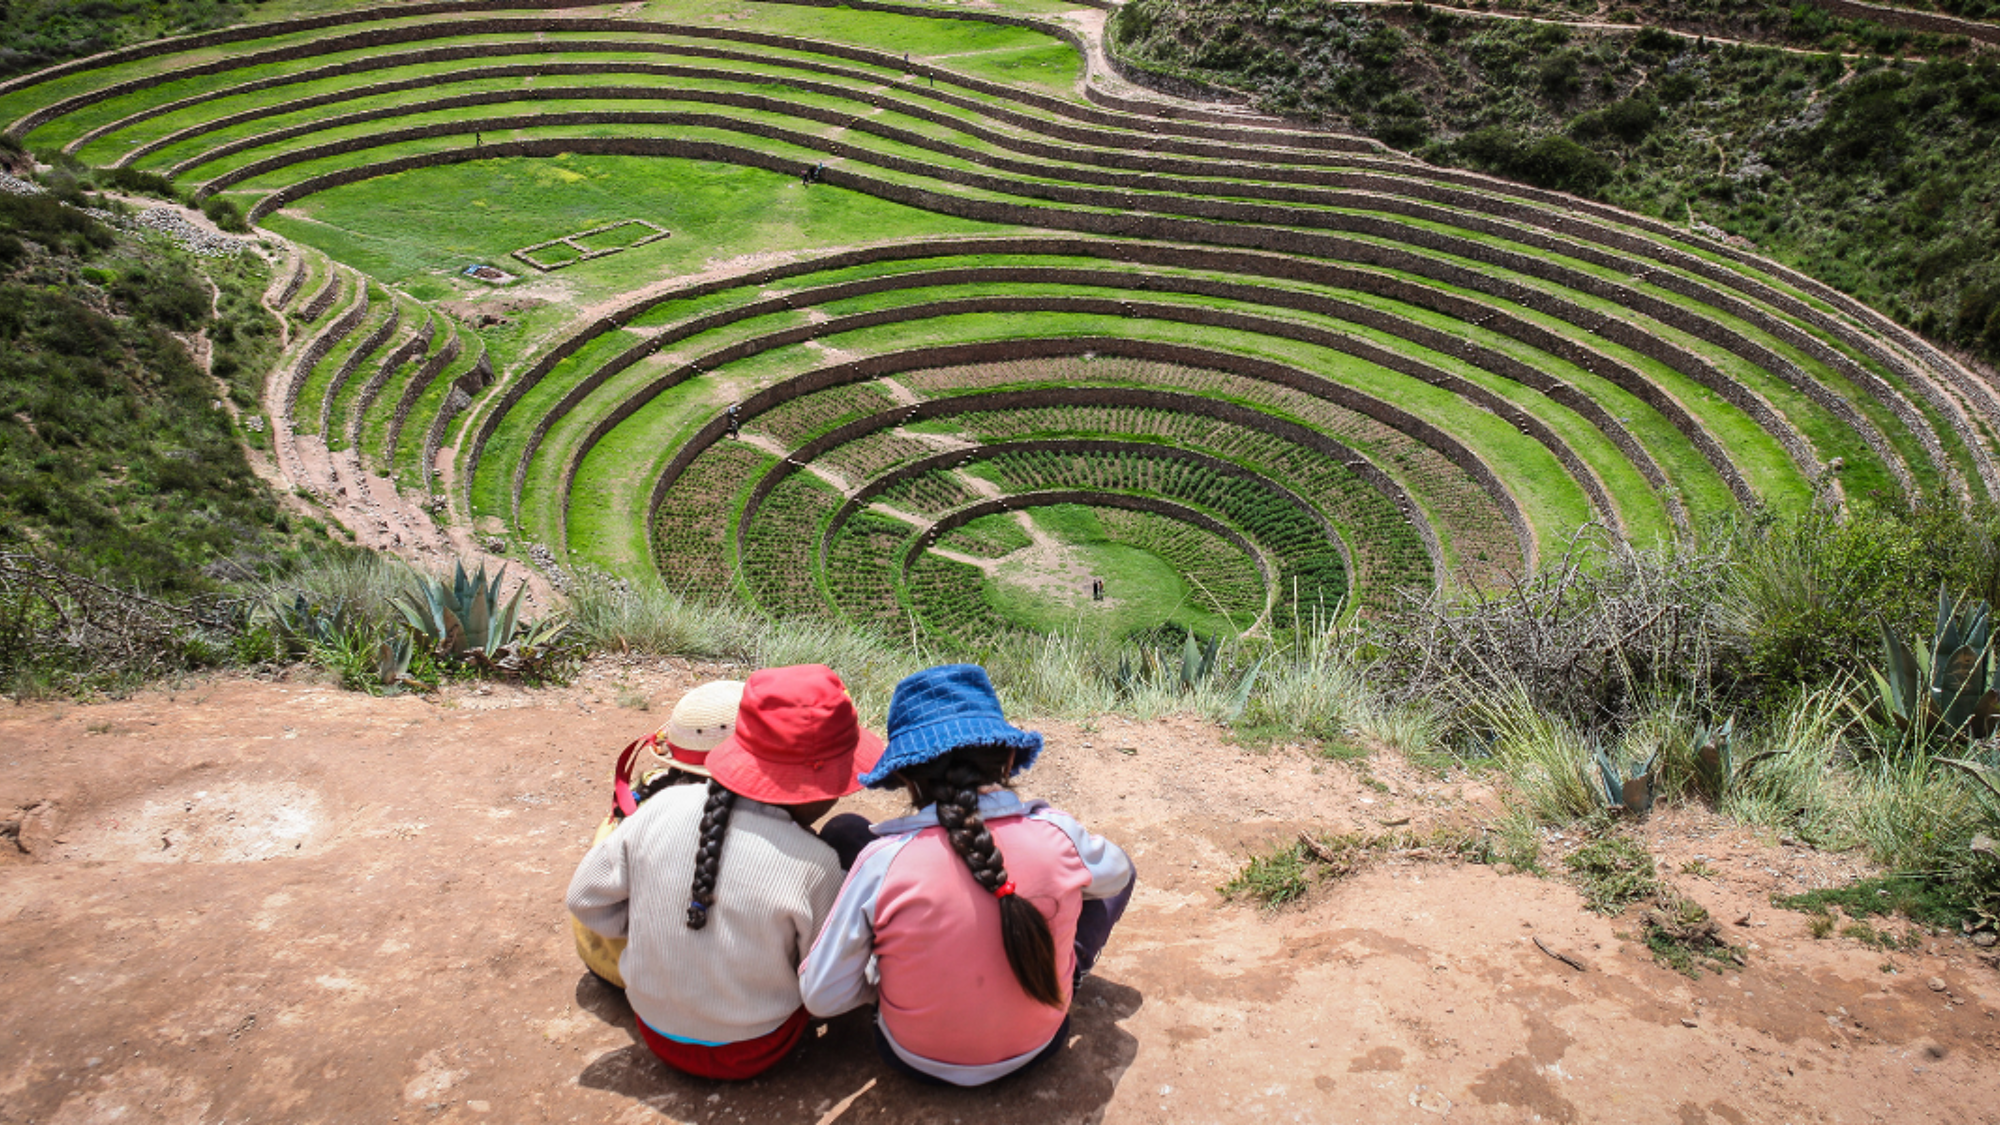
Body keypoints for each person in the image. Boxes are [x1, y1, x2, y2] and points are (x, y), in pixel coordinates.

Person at [799, 664, 1135, 1086]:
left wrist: (885, 983)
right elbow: (1117, 876)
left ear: (903, 774)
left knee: (847, 830)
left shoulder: (882, 862)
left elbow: (822, 996)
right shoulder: (1057, 834)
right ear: (1009, 757)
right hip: (1039, 1045)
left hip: (912, 1056)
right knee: (1103, 873)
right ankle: (1062, 975)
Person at [567, 665, 884, 1080]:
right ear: (817, 788)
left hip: (657, 1031)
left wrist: (657, 931)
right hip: (758, 1046)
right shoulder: (816, 864)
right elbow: (824, 983)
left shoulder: (658, 809)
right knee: (850, 833)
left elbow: (584, 900)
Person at [572, 680, 746, 989]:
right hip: (650, 974)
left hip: (598, 953)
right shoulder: (728, 823)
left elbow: (583, 897)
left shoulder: (649, 789)